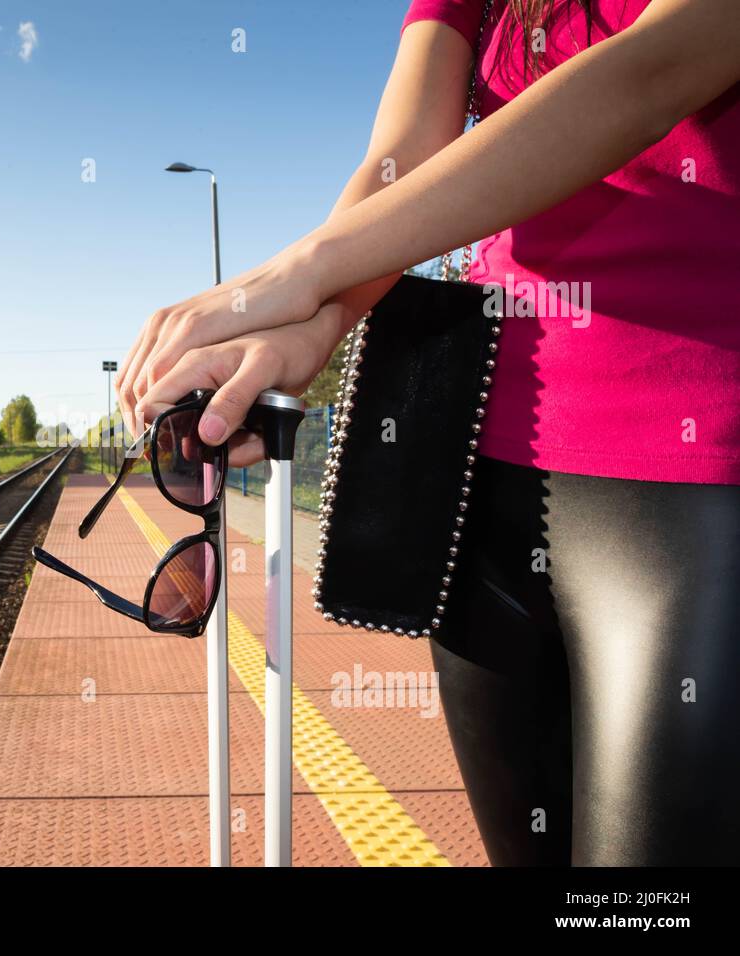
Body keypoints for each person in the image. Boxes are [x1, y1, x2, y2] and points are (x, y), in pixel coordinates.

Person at [115, 0, 740, 866]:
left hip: (691, 472)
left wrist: (295, 275)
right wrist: (309, 328)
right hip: (481, 467)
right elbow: (402, 161)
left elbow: (651, 71)